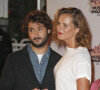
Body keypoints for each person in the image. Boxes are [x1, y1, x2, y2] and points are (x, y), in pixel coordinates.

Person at [0, 10, 61, 90]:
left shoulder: (59, 61)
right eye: (31, 30)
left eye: (40, 29)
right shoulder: (13, 60)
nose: (36, 34)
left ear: (49, 30)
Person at [52, 7, 91, 90]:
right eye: (58, 23)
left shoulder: (81, 57)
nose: (59, 28)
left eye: (65, 25)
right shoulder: (71, 52)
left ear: (77, 29)